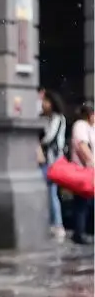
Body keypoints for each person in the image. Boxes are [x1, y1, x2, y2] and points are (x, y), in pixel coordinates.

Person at [38, 90, 68, 241]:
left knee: (51, 192)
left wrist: (38, 142)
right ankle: (52, 223)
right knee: (49, 192)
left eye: (46, 101)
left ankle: (57, 224)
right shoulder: (43, 117)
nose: (44, 104)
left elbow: (50, 138)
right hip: (45, 161)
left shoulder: (57, 118)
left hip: (53, 162)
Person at [68, 101, 94, 245]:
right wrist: (92, 164)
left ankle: (86, 231)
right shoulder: (80, 126)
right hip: (84, 170)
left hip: (90, 171)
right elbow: (83, 147)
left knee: (87, 203)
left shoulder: (91, 127)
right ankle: (79, 233)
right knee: (82, 203)